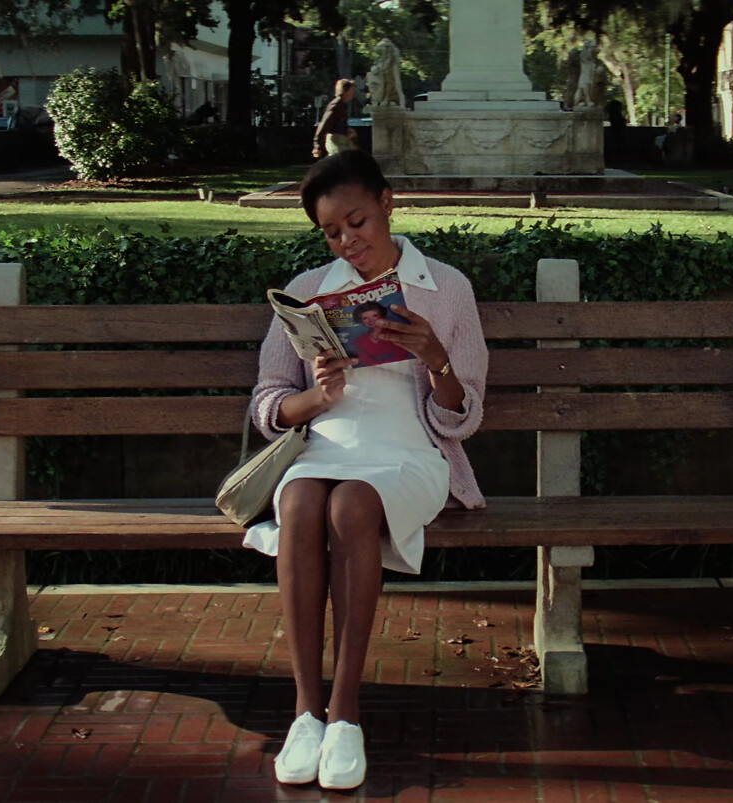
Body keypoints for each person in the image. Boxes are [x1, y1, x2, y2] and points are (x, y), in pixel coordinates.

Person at [245, 150, 489, 791]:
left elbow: (464, 415)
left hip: (409, 452)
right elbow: (268, 401)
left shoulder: (446, 287)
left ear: (386, 202)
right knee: (300, 500)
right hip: (325, 446)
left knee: (352, 503)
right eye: (331, 232)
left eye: (356, 222)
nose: (347, 241)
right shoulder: (307, 291)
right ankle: (306, 713)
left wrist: (435, 357)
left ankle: (346, 713)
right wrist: (315, 397)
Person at [349, 301, 411, 366]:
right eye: (365, 318)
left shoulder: (396, 334)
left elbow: (403, 355)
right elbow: (366, 361)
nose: (371, 320)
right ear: (361, 321)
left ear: (382, 316)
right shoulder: (359, 341)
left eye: (375, 316)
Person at [312, 79, 357, 160]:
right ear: (345, 90)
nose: (353, 92)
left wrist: (346, 131)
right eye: (352, 90)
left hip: (341, 139)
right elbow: (324, 124)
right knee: (343, 161)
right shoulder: (336, 105)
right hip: (335, 140)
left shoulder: (341, 105)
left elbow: (337, 124)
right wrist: (317, 145)